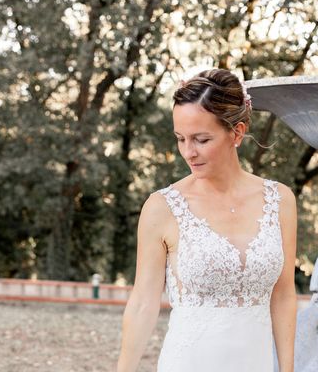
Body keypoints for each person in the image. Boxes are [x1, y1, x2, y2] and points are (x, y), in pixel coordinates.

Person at [117, 69, 297, 372]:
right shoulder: (162, 207)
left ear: (237, 133)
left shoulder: (280, 201)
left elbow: (283, 296)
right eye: (181, 139)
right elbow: (143, 304)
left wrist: (288, 369)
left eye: (201, 139)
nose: (189, 152)